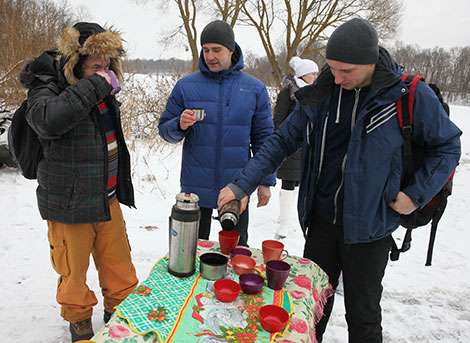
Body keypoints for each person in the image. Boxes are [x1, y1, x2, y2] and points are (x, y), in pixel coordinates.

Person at [218, 18, 461, 342]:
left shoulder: (405, 95)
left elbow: (448, 146)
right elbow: (280, 142)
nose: (337, 77)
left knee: (363, 318)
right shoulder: (323, 94)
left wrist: (414, 195)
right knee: (310, 309)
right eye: (332, 68)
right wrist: (241, 184)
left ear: (371, 63)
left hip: (370, 229)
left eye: (346, 71)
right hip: (322, 223)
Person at [19, 22, 138, 342]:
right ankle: (79, 321)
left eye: (107, 66)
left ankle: (119, 313)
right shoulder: (47, 86)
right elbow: (48, 120)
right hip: (69, 204)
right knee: (73, 274)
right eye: (95, 66)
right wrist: (98, 84)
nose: (103, 72)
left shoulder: (97, 87)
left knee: (120, 268)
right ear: (75, 63)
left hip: (106, 198)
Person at [158, 20, 275, 246]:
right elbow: (165, 131)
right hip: (195, 188)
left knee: (236, 253)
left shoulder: (254, 88)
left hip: (236, 187)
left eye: (217, 50)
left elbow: (264, 139)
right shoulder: (186, 86)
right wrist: (179, 125)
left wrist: (265, 180)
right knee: (189, 251)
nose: (210, 56)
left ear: (231, 50)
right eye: (206, 49)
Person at [273, 56, 318, 239]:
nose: (316, 76)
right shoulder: (288, 93)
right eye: (313, 73)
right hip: (290, 144)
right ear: (303, 74)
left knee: (299, 182)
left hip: (308, 144)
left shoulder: (315, 92)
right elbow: (278, 119)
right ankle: (284, 221)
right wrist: (281, 141)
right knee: (289, 182)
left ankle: (288, 217)